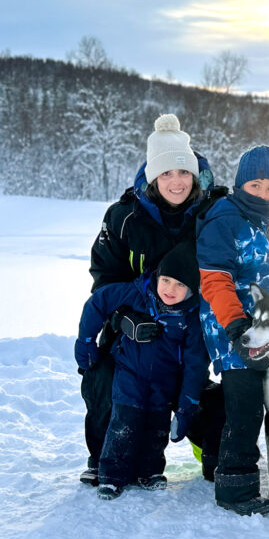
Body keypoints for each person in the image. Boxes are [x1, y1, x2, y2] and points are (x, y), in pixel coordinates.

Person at [79, 113, 227, 486]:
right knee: (102, 379)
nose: (176, 182)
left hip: (186, 339)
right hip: (133, 344)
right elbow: (104, 281)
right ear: (152, 177)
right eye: (166, 174)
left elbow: (258, 224)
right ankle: (104, 457)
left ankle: (213, 452)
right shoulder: (123, 217)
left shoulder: (213, 213)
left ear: (194, 175)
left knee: (212, 398)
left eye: (183, 173)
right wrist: (123, 319)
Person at [75, 244, 210, 500]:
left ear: (192, 289)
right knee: (124, 421)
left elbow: (195, 363)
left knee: (157, 426)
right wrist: (85, 341)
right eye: (166, 280)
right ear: (157, 276)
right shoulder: (138, 295)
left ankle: (150, 472)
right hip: (129, 374)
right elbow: (98, 302)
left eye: (180, 285)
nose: (170, 289)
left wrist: (187, 406)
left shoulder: (191, 318)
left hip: (164, 380)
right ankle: (112, 475)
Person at [196, 145, 269, 516]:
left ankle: (216, 463)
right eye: (256, 184)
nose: (264, 193)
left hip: (258, 330)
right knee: (247, 405)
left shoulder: (263, 220)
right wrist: (236, 325)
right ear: (239, 185)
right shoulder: (225, 219)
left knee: (244, 400)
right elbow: (216, 279)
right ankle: (236, 487)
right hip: (231, 326)